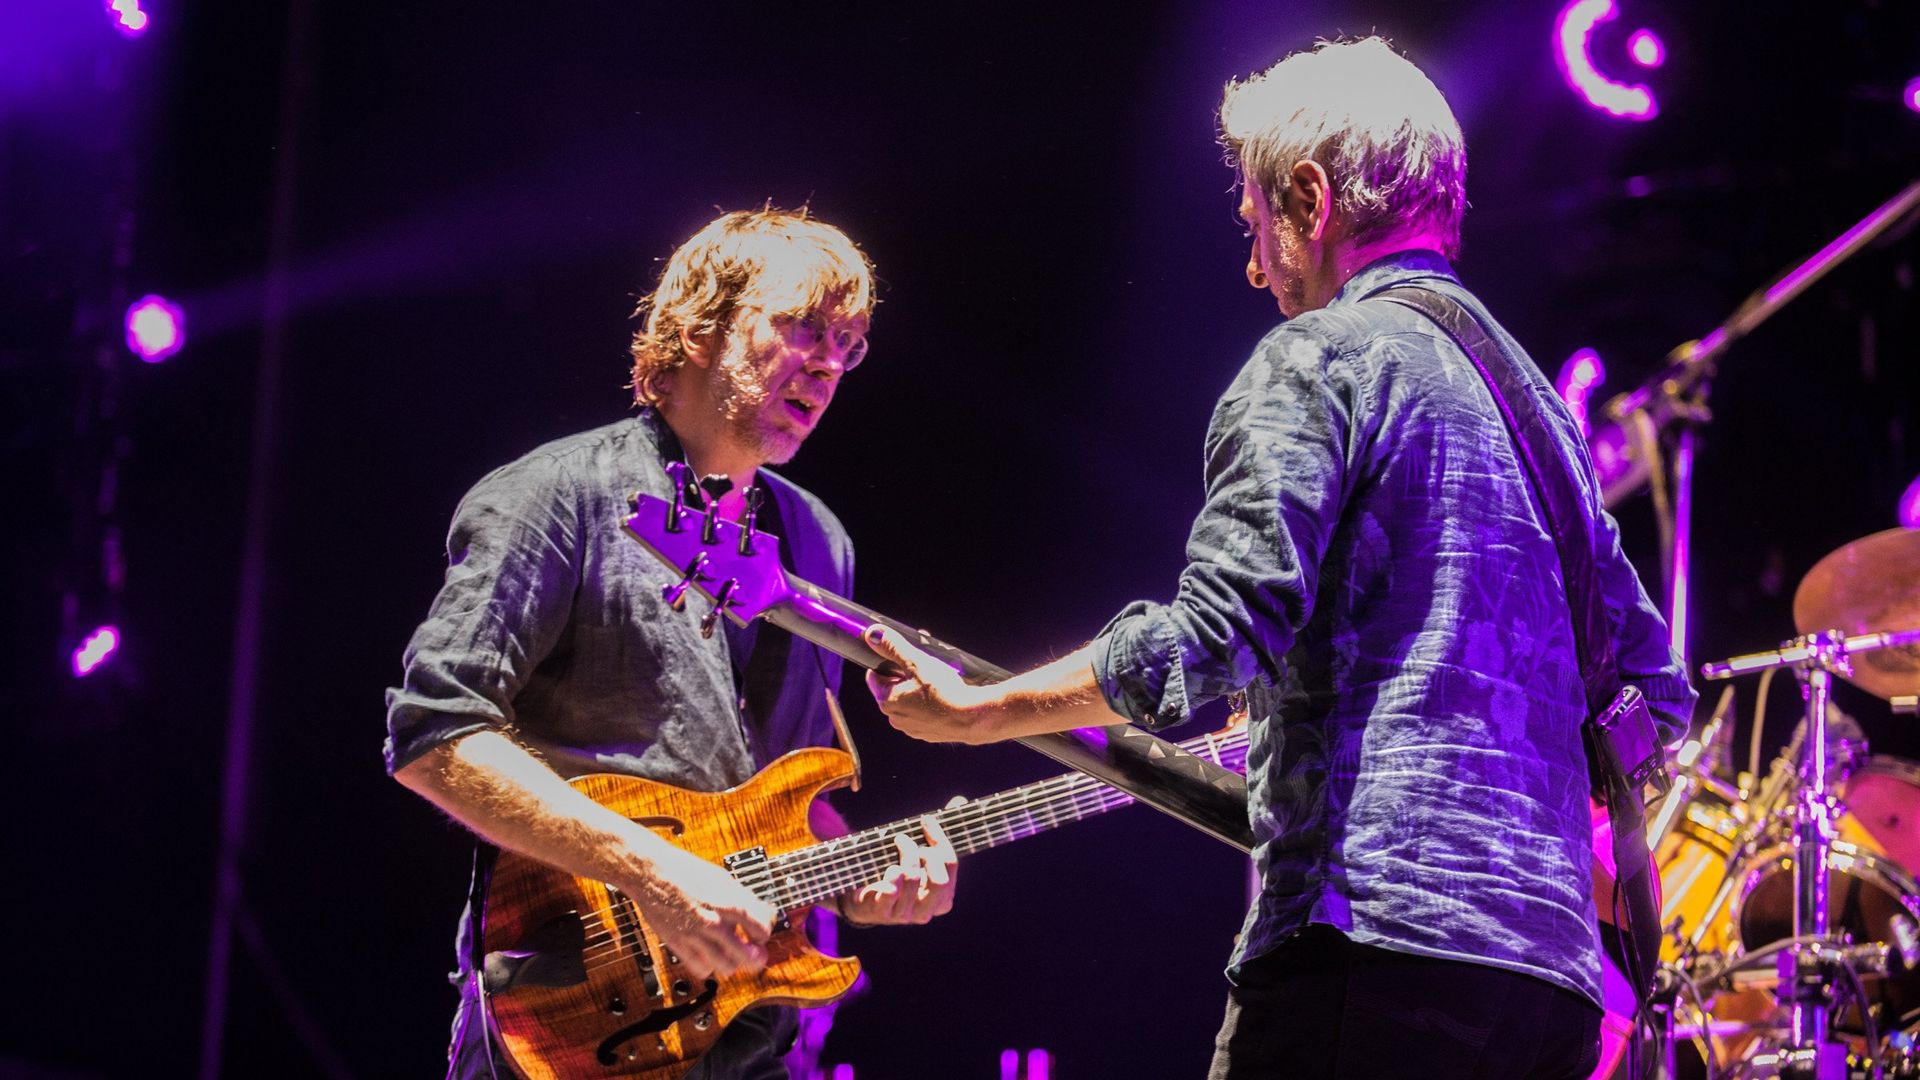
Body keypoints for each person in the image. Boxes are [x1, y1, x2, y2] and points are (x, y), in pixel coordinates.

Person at [864, 37, 1694, 1080]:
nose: (1256, 268)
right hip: (1553, 996)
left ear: (1311, 196)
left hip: (1369, 956)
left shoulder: (1319, 359)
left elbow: (1210, 640)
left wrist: (977, 711)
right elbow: (1657, 697)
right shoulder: (1542, 412)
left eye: (1257, 225)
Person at [386, 207, 958, 1080]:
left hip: (747, 1027)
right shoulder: (556, 495)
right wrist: (652, 872)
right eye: (802, 326)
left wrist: (858, 876)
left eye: (849, 342)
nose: (829, 364)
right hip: (570, 1013)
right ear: (699, 326)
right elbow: (434, 737)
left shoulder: (818, 541)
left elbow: (783, 797)